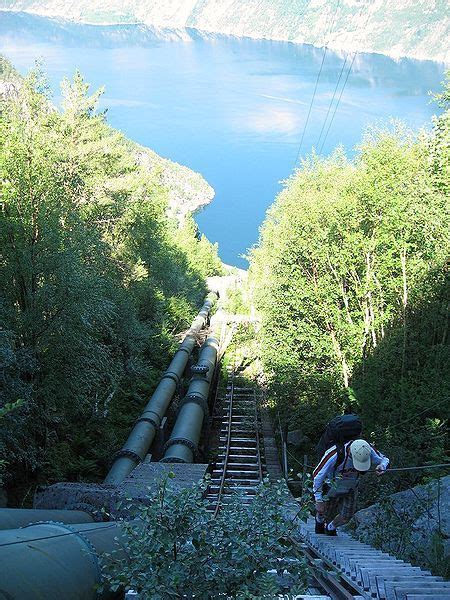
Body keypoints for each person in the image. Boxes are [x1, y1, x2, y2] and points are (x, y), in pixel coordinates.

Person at [313, 438, 389, 535]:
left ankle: (330, 527)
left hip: (351, 487)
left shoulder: (367, 449)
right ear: (350, 453)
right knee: (323, 511)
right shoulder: (334, 454)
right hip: (332, 486)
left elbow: (384, 459)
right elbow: (317, 475)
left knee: (346, 517)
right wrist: (318, 500)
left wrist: (382, 466)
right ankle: (319, 521)